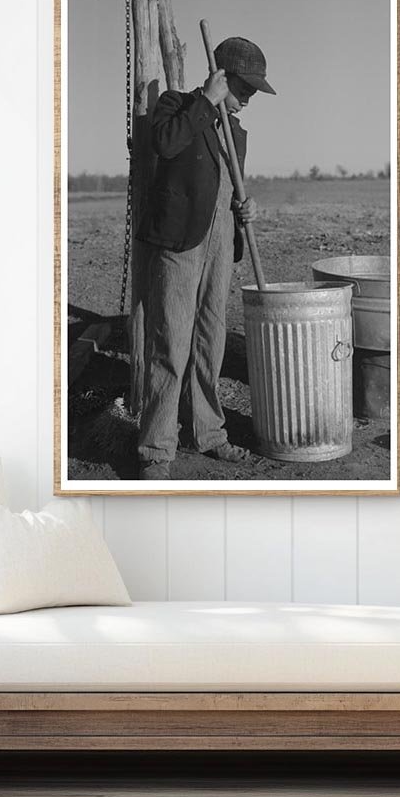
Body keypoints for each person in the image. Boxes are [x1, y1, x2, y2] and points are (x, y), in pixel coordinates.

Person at [135, 36, 277, 480]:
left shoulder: (236, 133)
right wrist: (206, 102)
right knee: (172, 344)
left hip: (219, 243)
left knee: (210, 343)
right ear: (222, 77)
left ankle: (210, 433)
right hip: (180, 242)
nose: (249, 99)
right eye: (245, 88)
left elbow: (226, 188)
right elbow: (164, 145)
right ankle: (156, 450)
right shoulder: (176, 106)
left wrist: (243, 209)